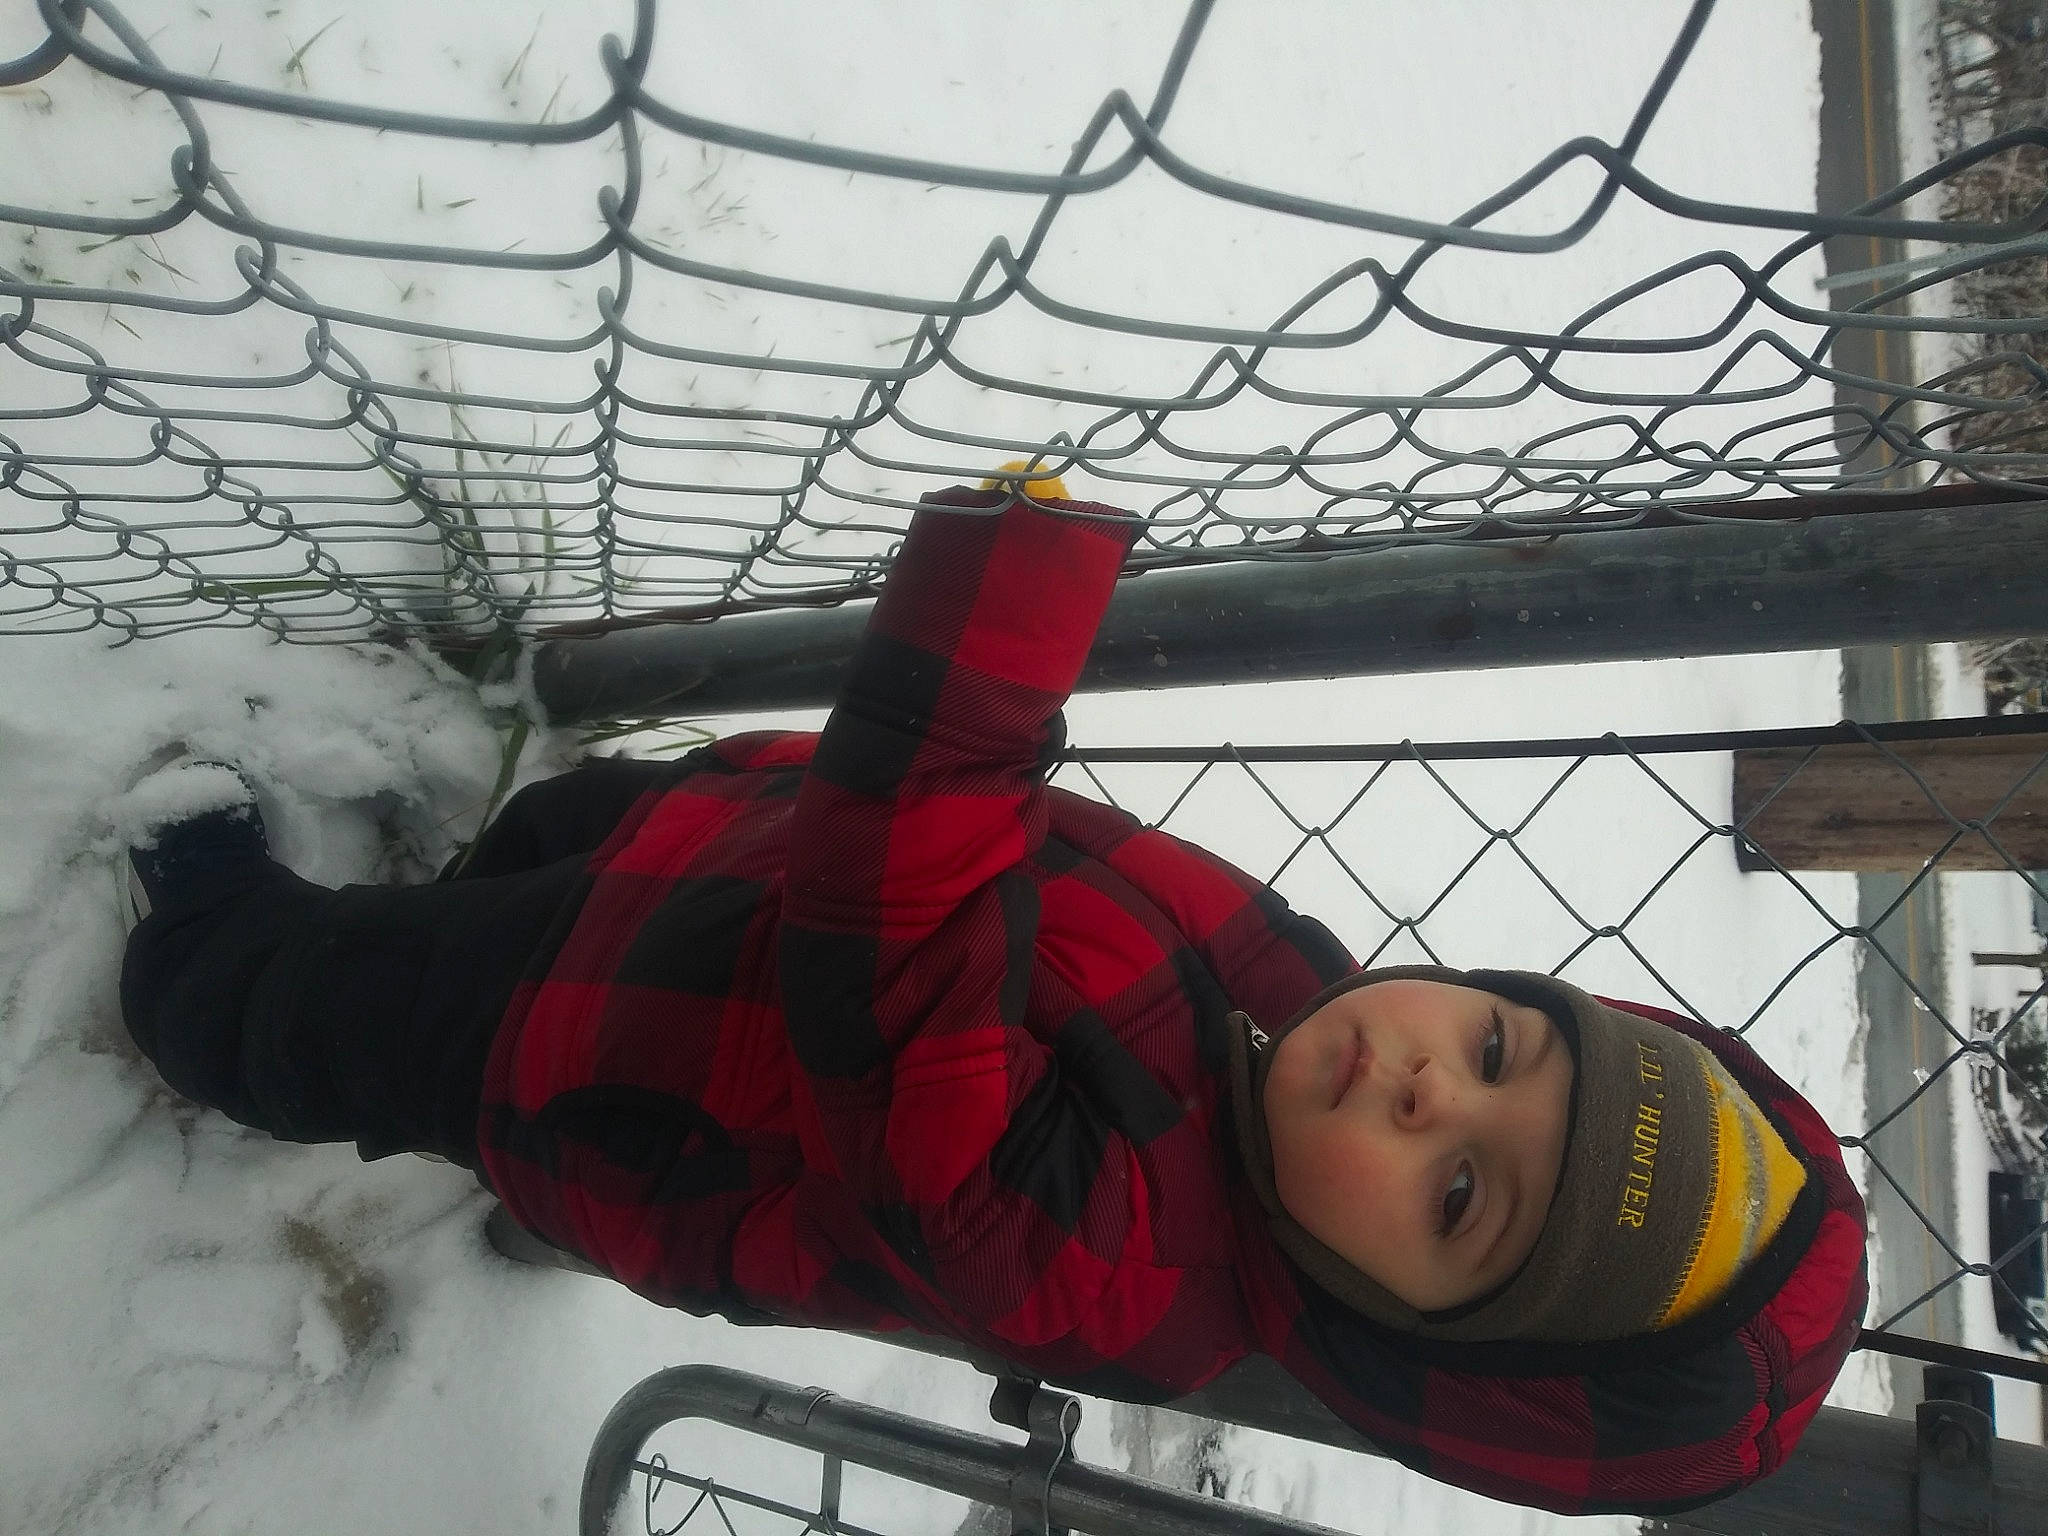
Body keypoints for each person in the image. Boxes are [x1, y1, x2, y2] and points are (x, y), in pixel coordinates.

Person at [118, 478, 1868, 1517]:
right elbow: (1035, 868)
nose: (1428, 1090)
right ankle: (461, 897)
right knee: (532, 854)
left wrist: (991, 636)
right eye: (1498, 1048)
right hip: (709, 874)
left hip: (593, 1067)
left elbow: (903, 972)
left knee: (325, 1014)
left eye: (1463, 1195)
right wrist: (765, 789)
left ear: (1400, 1330)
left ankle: (189, 959)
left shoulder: (1110, 1261)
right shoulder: (1295, 1007)